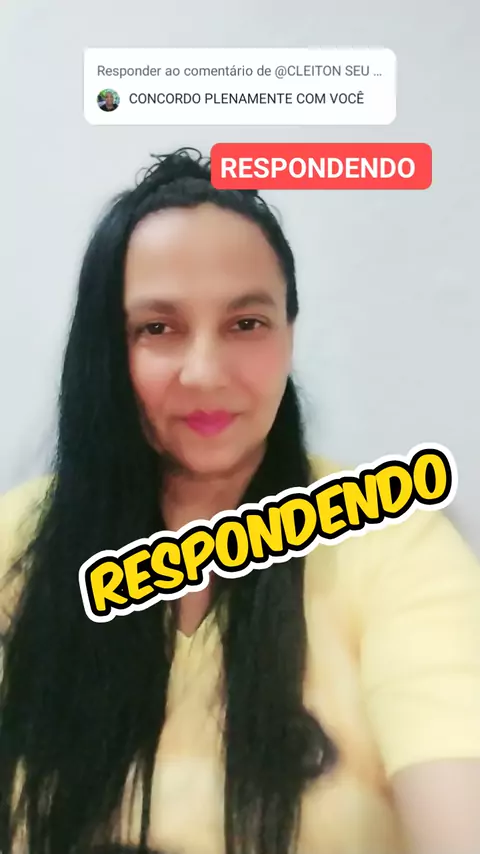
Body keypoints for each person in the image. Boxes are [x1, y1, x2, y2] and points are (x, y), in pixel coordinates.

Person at [1, 148, 480, 854]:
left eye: (246, 323)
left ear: (289, 333)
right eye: (158, 328)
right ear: (107, 349)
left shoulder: (394, 544)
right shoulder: (18, 541)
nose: (205, 373)